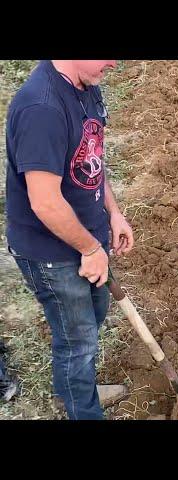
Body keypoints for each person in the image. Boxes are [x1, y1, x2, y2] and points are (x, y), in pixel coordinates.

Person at [4, 60, 134, 419]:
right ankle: (83, 410)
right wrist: (90, 249)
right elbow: (44, 202)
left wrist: (114, 213)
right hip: (50, 252)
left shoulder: (86, 84)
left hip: (84, 238)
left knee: (90, 320)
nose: (114, 62)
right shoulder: (41, 108)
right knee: (78, 340)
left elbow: (91, 157)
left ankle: (72, 391)